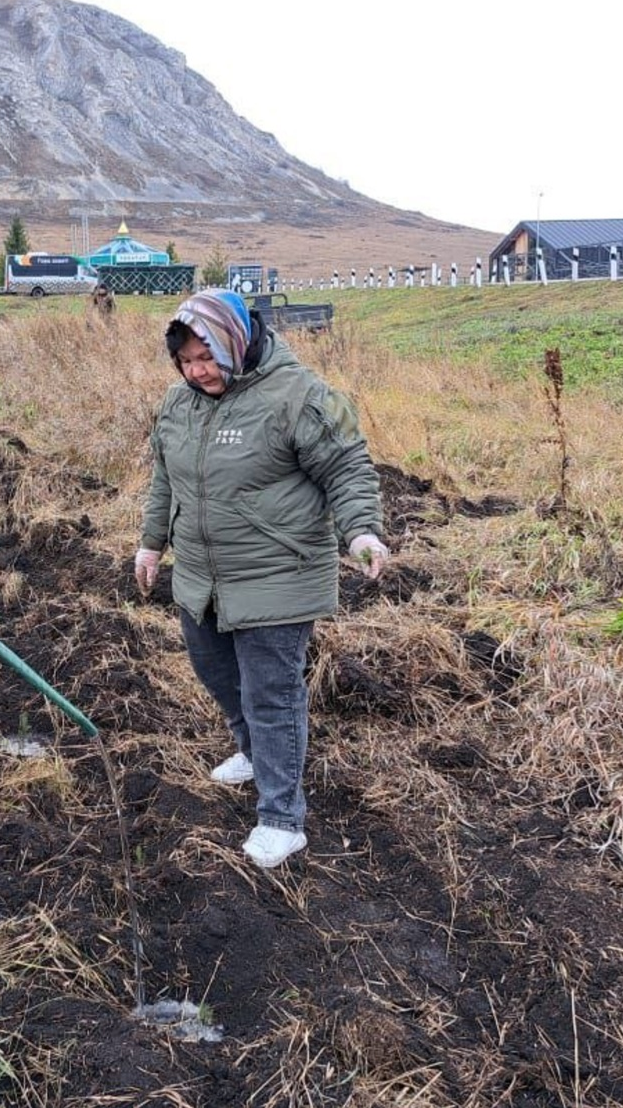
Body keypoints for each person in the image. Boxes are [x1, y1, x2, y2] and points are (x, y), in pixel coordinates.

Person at [134, 290, 388, 870]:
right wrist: (152, 545)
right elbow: (164, 480)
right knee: (216, 672)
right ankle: (253, 752)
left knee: (271, 695)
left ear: (236, 340)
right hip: (203, 576)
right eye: (187, 361)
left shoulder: (298, 396)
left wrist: (361, 532)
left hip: (278, 571)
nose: (199, 371)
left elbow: (347, 466)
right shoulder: (179, 404)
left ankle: (282, 817)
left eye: (208, 356)